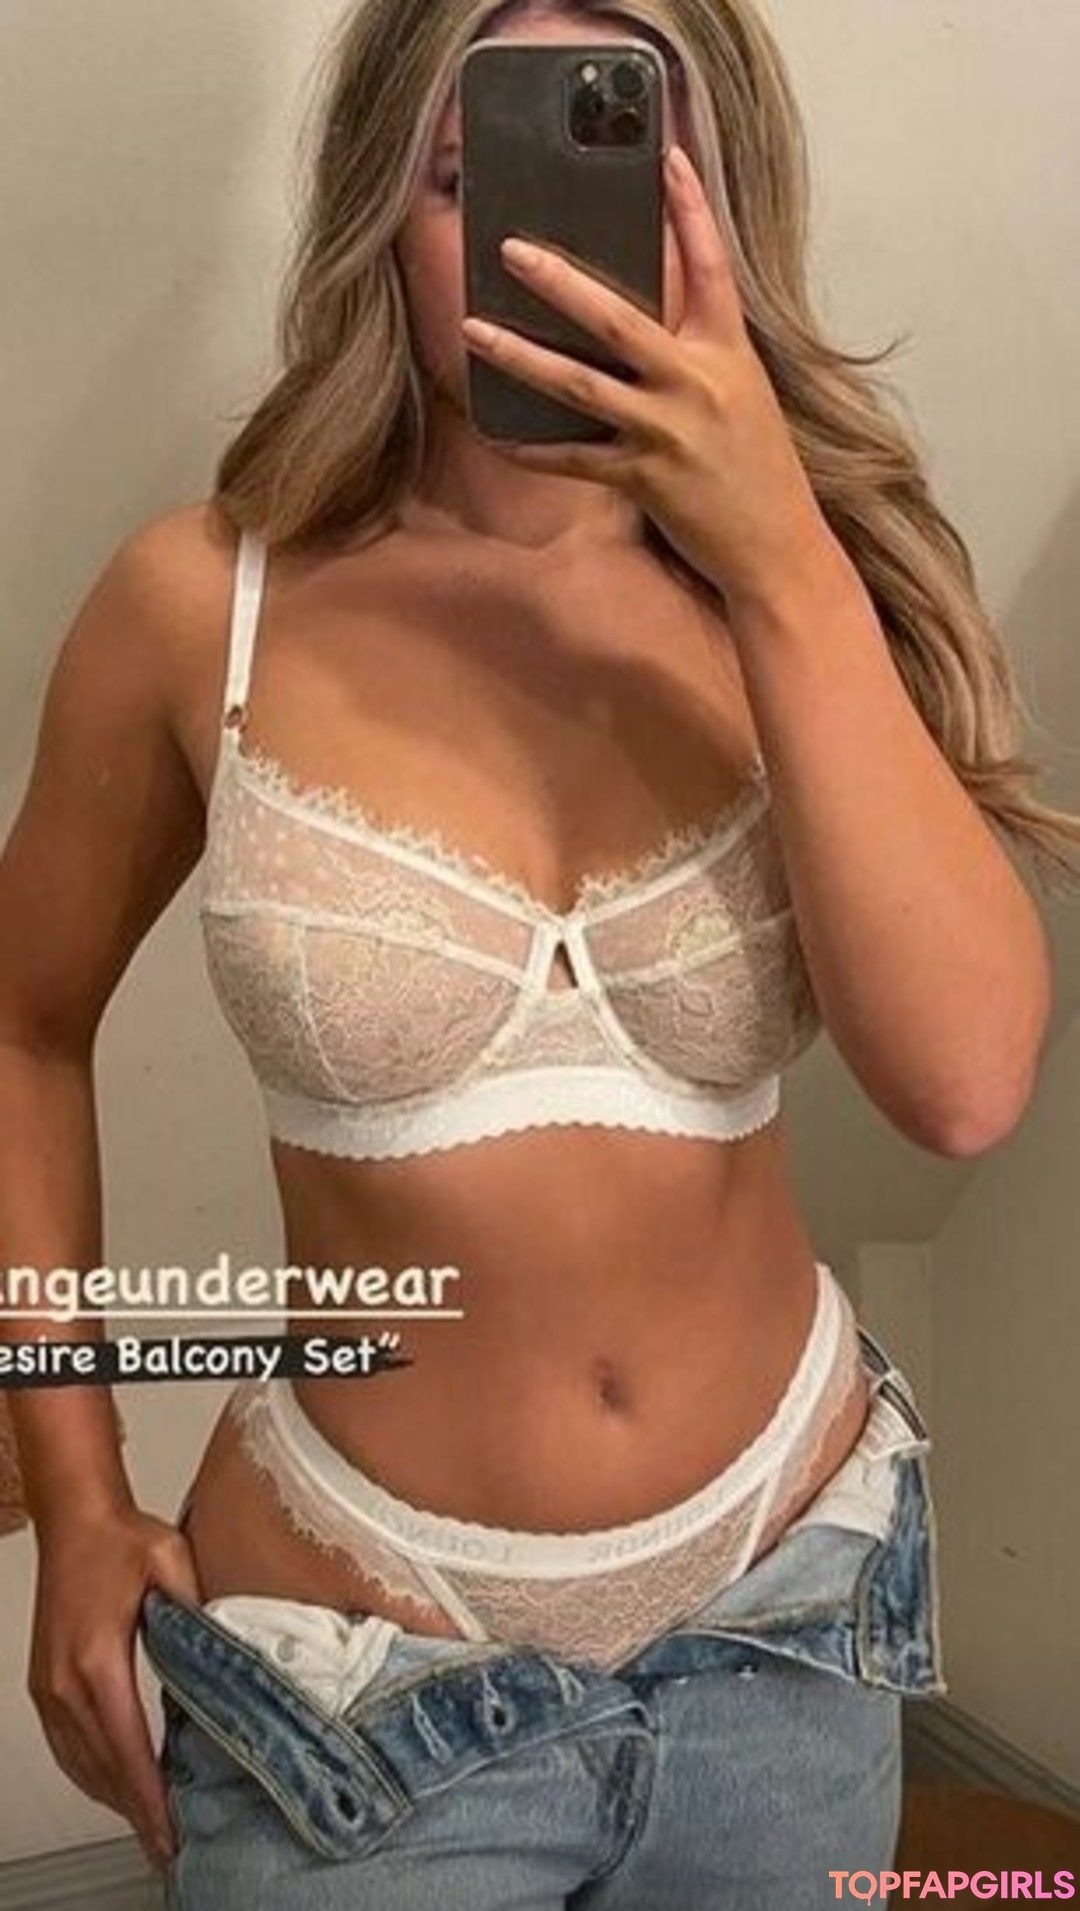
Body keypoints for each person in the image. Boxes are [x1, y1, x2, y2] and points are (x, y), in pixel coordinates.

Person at [1, 1, 1076, 1905]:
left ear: (724, 212)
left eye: (636, 165)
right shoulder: (200, 608)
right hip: (360, 1689)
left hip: (790, 1626)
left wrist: (779, 559)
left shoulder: (814, 586)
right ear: (379, 215)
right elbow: (22, 1026)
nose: (548, 244)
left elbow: (968, 1081)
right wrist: (74, 1503)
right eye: (464, 172)